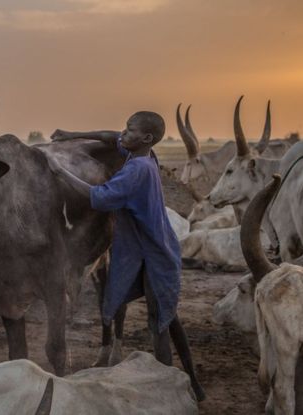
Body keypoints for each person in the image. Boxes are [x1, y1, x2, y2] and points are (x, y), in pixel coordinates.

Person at [48, 111, 205, 401]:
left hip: (154, 253)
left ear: (145, 138)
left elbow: (99, 197)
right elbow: (110, 137)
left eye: (130, 130)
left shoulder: (137, 170)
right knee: (170, 320)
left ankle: (166, 391)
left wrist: (59, 173)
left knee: (158, 324)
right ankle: (193, 383)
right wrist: (71, 135)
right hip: (153, 247)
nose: (123, 133)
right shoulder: (143, 156)